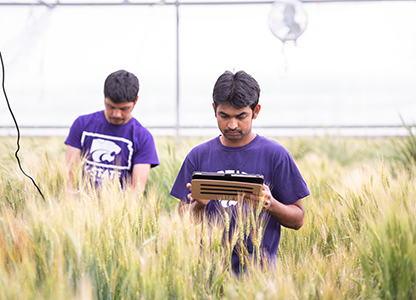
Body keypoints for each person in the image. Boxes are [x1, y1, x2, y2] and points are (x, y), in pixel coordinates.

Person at [170, 70, 310, 275]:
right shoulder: (198, 156)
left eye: (241, 116)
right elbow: (183, 221)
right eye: (224, 116)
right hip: (207, 276)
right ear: (213, 109)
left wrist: (271, 205)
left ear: (256, 111)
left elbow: (298, 219)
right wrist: (198, 206)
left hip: (259, 279)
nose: (232, 125)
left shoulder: (276, 155)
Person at [65, 70, 159, 194]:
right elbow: (68, 176)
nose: (116, 114)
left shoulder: (143, 138)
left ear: (136, 100)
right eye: (110, 106)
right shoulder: (82, 125)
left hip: (117, 211)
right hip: (80, 208)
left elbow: (136, 190)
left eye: (124, 109)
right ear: (104, 96)